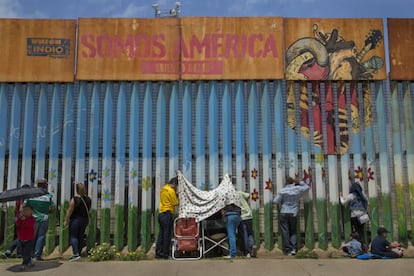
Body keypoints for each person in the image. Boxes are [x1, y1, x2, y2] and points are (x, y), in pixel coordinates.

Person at [273, 175, 310, 256]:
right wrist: (299, 182)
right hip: (293, 212)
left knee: (285, 231)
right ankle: (293, 249)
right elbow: (307, 186)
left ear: (286, 182)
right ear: (293, 182)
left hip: (284, 212)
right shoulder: (298, 189)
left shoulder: (283, 190)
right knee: (293, 231)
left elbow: (275, 201)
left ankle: (287, 250)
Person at [25, 178, 55, 261]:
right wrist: (46, 210)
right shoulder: (48, 196)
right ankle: (37, 256)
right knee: (41, 237)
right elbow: (52, 208)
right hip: (44, 218)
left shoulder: (31, 195)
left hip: (32, 218)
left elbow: (25, 206)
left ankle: (30, 254)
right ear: (45, 186)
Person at [64, 182, 91, 262]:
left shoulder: (74, 199)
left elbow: (70, 211)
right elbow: (88, 210)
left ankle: (75, 253)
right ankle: (78, 252)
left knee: (73, 236)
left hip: (75, 220)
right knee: (80, 236)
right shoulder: (88, 199)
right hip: (84, 220)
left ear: (76, 190)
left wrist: (66, 220)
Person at [340, 180, 368, 248]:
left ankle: (359, 246)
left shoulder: (351, 195)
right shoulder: (362, 195)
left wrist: (340, 196)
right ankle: (363, 245)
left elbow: (343, 203)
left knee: (357, 232)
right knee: (361, 231)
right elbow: (367, 201)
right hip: (363, 216)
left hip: (355, 216)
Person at [155, 177, 179, 259]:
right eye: (176, 186)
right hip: (167, 214)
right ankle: (165, 254)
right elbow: (175, 203)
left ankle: (158, 253)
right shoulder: (171, 191)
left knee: (161, 235)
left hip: (161, 214)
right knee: (167, 235)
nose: (176, 188)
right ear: (174, 184)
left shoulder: (163, 188)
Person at [223, 183, 241, 259]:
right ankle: (235, 250)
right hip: (237, 215)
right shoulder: (236, 194)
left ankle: (232, 253)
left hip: (230, 215)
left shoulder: (226, 194)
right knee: (234, 234)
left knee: (231, 235)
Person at [237, 190, 257, 258]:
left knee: (244, 235)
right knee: (250, 233)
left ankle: (247, 251)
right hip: (249, 215)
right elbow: (248, 195)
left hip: (242, 217)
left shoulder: (231, 196)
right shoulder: (239, 193)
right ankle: (252, 245)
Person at [16, 204, 36, 270]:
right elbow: (17, 224)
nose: (25, 211)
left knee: (26, 252)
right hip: (21, 238)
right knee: (22, 252)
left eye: (27, 210)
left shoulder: (32, 219)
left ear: (31, 211)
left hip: (29, 239)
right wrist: (20, 219)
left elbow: (29, 225)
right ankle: (29, 260)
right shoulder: (21, 218)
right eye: (24, 210)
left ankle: (24, 263)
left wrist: (24, 220)